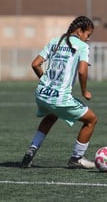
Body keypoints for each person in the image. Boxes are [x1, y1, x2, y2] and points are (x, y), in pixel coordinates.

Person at [21, 16, 98, 169]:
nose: (88, 39)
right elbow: (82, 72)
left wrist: (46, 82)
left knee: (51, 116)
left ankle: (31, 150)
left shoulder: (55, 41)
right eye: (88, 35)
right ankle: (76, 158)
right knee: (91, 120)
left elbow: (35, 64)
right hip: (59, 98)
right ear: (79, 31)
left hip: (42, 93)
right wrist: (85, 91)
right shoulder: (81, 46)